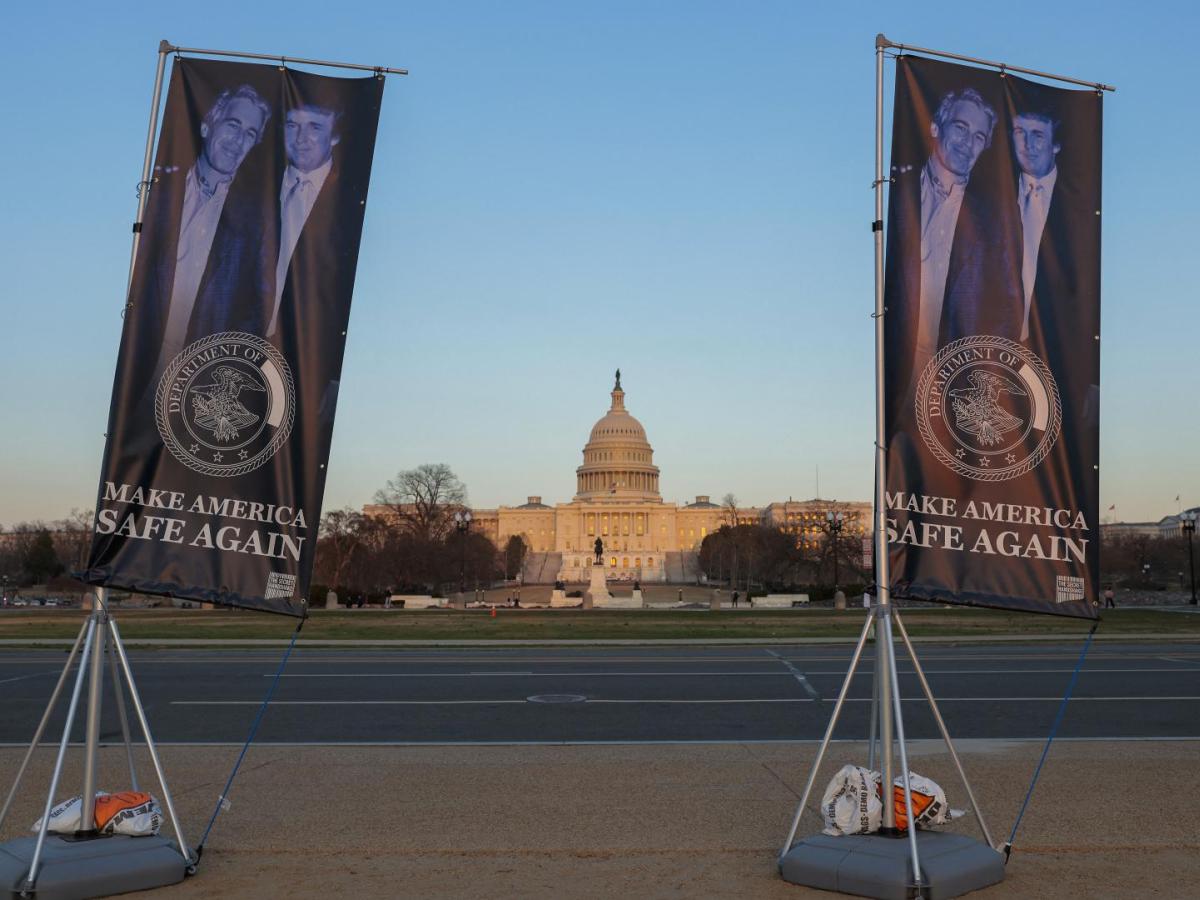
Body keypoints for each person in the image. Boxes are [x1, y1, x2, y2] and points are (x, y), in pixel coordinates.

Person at [885, 87, 1023, 393]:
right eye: (961, 128)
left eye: (978, 137)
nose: (967, 143)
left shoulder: (997, 216)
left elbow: (1009, 307)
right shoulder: (896, 193)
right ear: (936, 126)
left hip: (953, 386)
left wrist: (977, 376)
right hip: (889, 374)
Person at [160, 85, 271, 351]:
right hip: (136, 364)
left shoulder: (256, 224)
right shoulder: (160, 193)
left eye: (250, 134)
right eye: (233, 125)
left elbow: (256, 312)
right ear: (207, 126)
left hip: (195, 374)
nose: (238, 140)